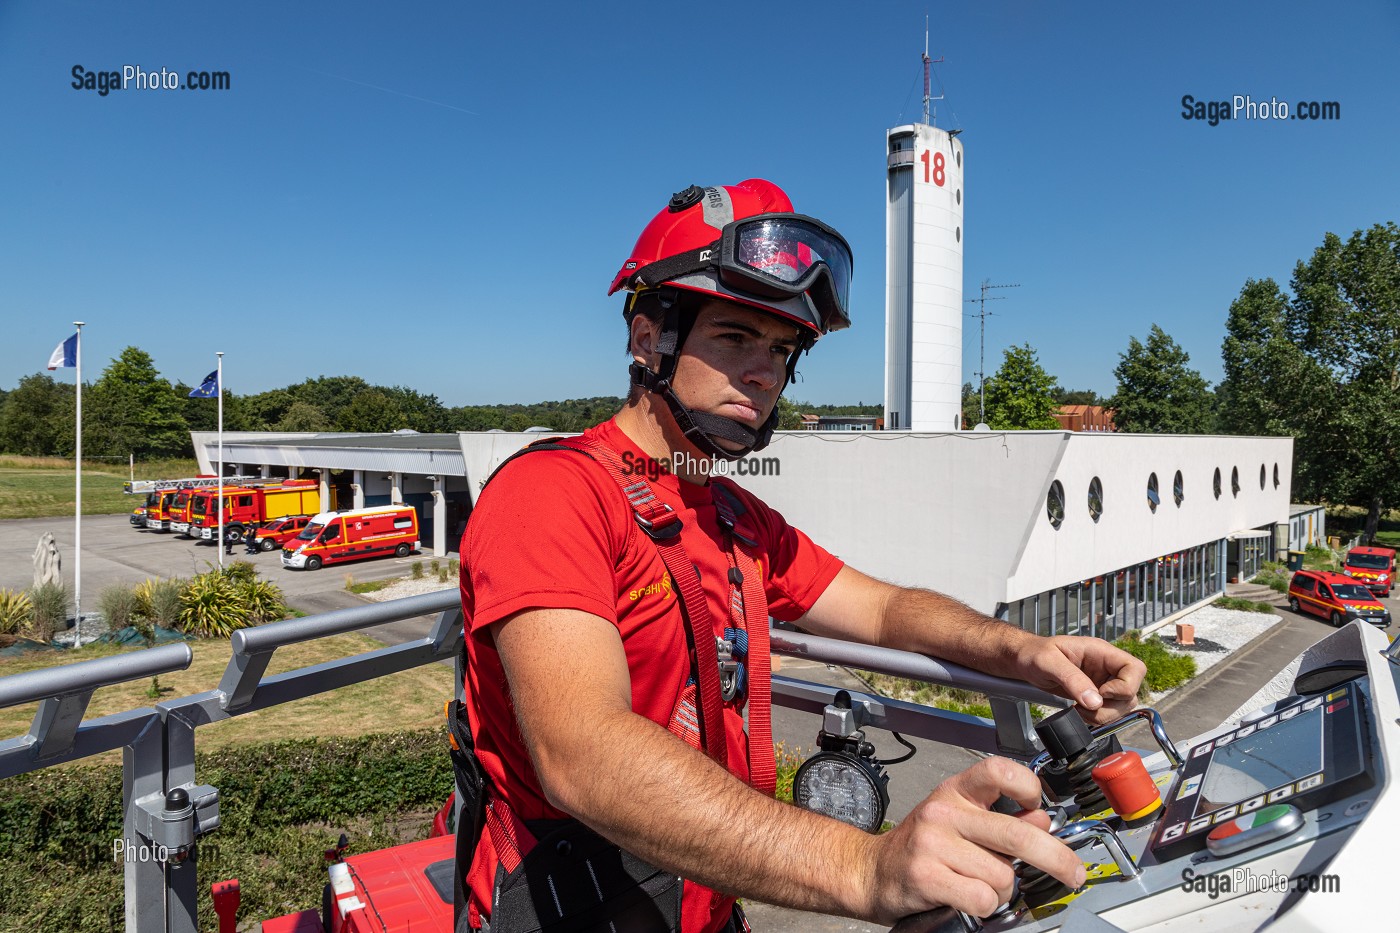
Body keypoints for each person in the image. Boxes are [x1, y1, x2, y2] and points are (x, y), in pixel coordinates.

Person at [457, 178, 1146, 933]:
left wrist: (1020, 647)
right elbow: (581, 751)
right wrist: (865, 866)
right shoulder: (553, 495)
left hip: (702, 899)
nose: (762, 372)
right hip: (579, 907)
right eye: (733, 336)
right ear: (649, 335)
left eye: (782, 349)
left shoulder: (729, 516)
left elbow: (882, 608)